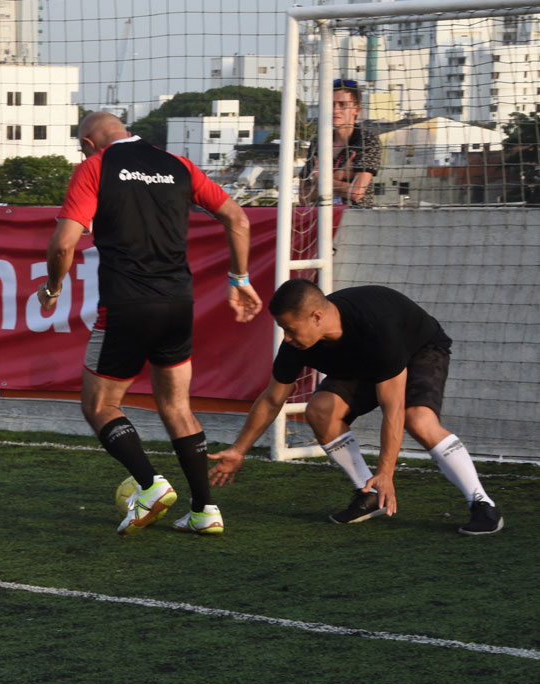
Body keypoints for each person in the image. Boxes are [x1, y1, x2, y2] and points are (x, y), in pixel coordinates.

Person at [41, 111, 262, 536]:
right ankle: (205, 510)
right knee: (177, 406)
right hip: (178, 303)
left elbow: (64, 244)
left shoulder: (95, 166)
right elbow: (239, 218)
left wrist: (52, 289)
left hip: (126, 305)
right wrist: (239, 279)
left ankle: (151, 485)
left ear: (89, 143)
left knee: (100, 405)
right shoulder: (178, 164)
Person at [208, 279, 503, 535]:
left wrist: (387, 472)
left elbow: (393, 408)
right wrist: (239, 449)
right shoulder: (296, 345)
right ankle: (370, 492)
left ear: (316, 317)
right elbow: (273, 398)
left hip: (418, 350)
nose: (286, 337)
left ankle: (482, 504)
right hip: (363, 362)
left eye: (290, 328)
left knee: (418, 419)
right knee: (320, 411)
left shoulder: (376, 327)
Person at [299, 79, 381, 208]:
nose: (336, 110)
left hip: (354, 220)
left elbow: (356, 192)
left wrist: (319, 179)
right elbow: (303, 196)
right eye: (331, 104)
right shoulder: (318, 143)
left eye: (342, 104)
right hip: (320, 222)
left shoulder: (367, 140)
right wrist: (340, 175)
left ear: (356, 109)